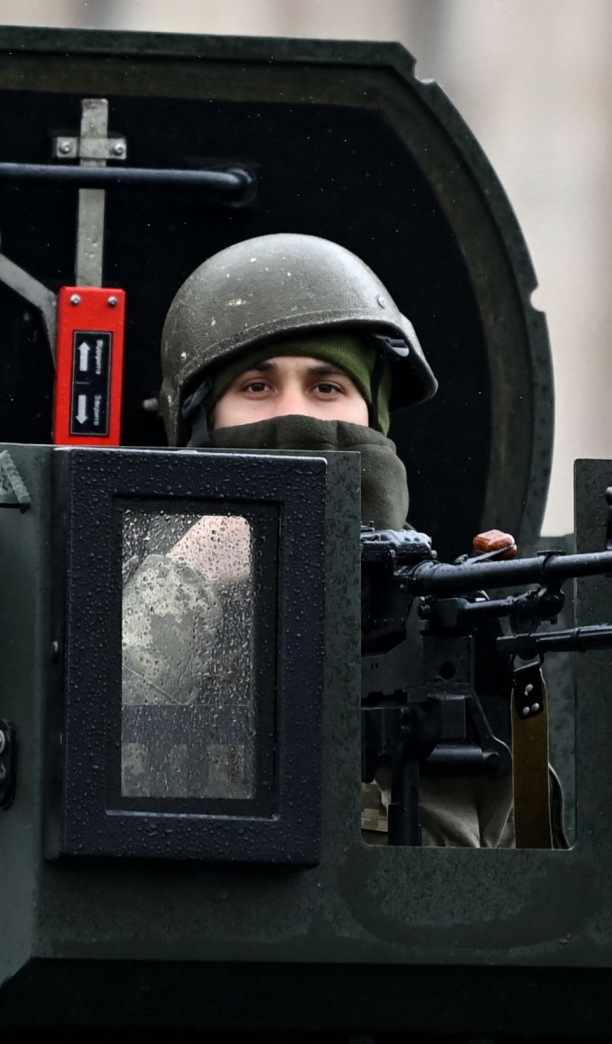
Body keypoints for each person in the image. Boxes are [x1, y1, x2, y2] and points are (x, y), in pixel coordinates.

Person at [137, 233, 515, 846]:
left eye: (328, 387)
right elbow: (82, 741)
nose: (302, 416)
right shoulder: (120, 580)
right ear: (205, 423)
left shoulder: (438, 603)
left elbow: (509, 872)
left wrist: (502, 674)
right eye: (257, 387)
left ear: (373, 417)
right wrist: (187, 579)